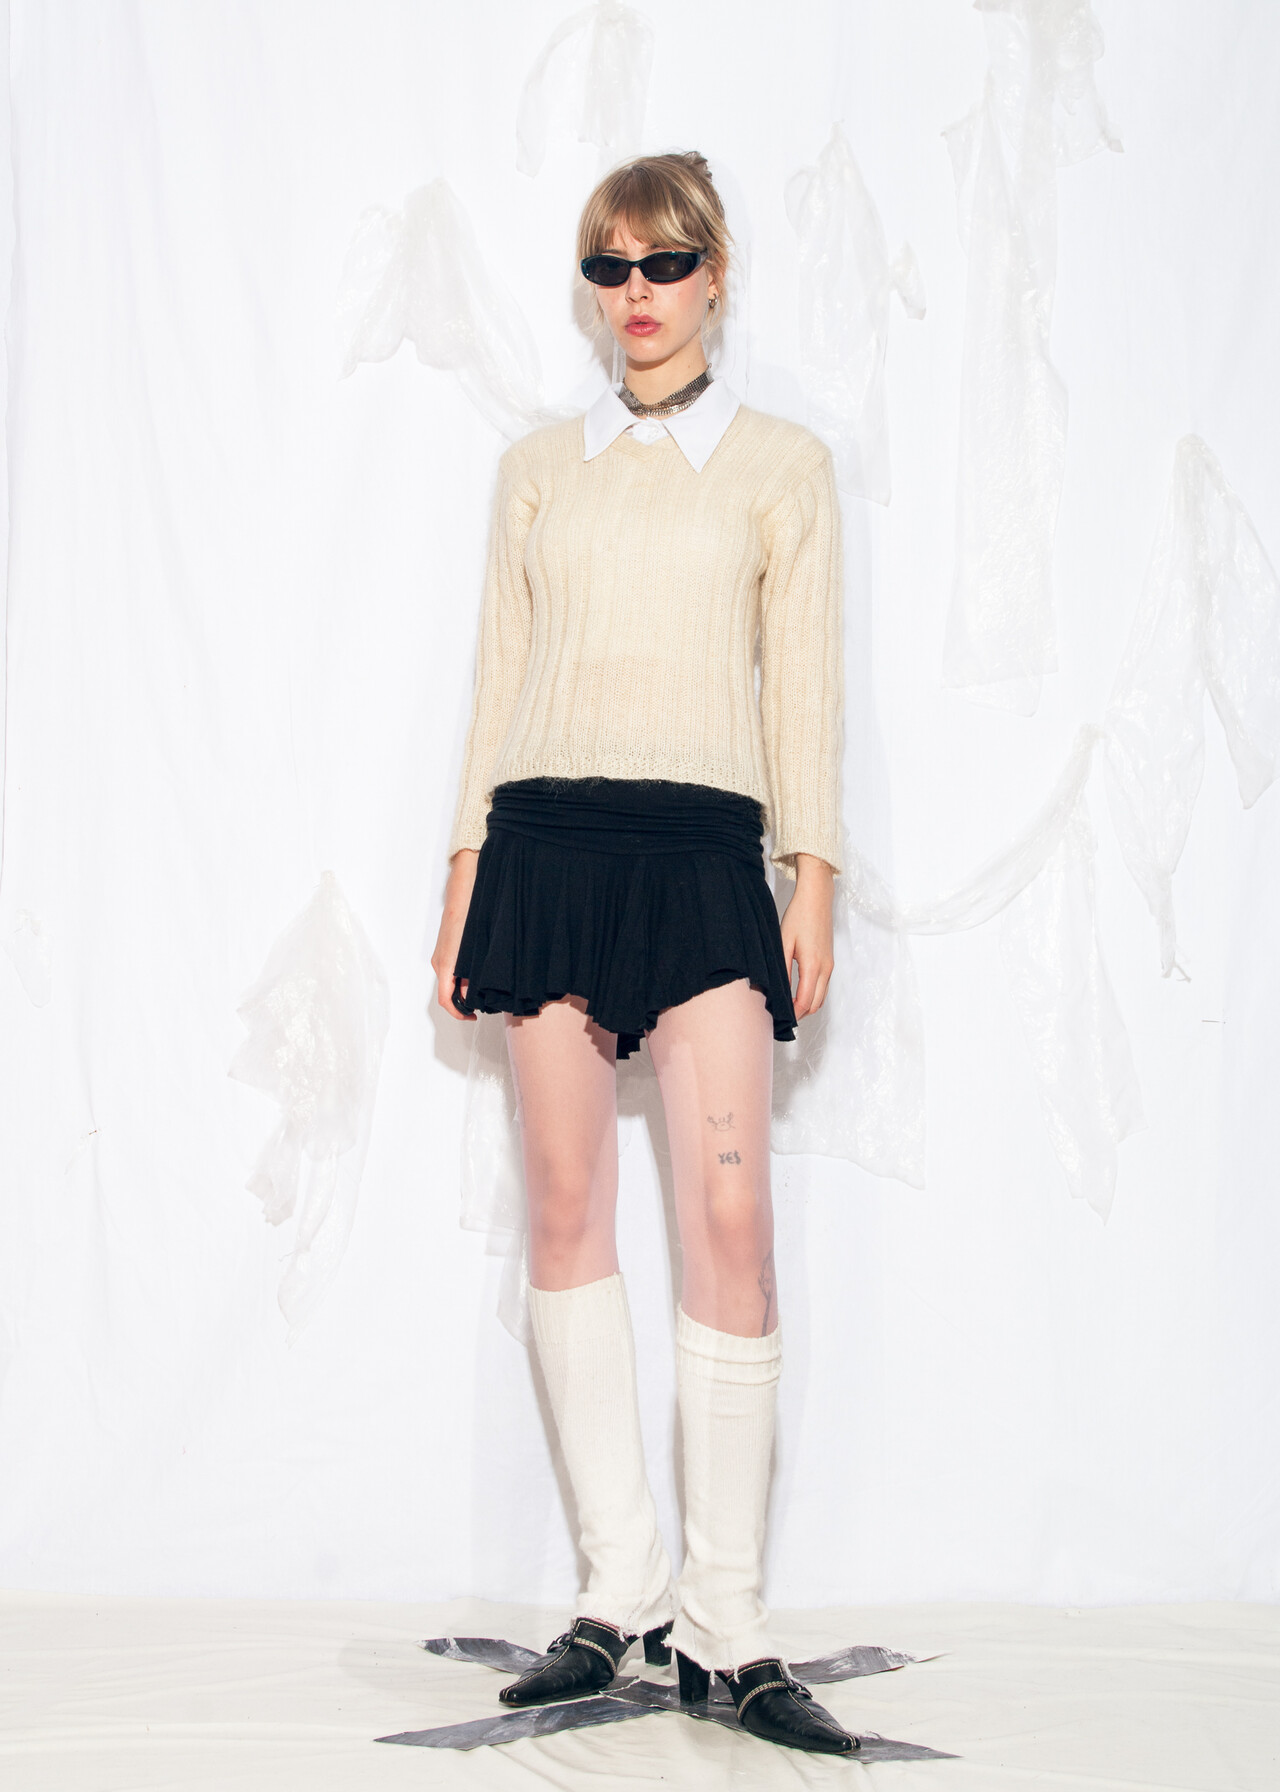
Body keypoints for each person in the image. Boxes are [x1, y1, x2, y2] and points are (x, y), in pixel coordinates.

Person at [430, 150, 854, 1758]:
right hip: (544, 844)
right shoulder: (539, 469)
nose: (638, 294)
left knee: (730, 1216)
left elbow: (802, 682)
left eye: (666, 262)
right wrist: (464, 872)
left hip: (699, 857)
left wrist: (814, 874)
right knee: (563, 1207)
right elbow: (500, 676)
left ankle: (728, 1627)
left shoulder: (783, 468)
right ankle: (619, 1595)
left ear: (716, 273)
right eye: (609, 267)